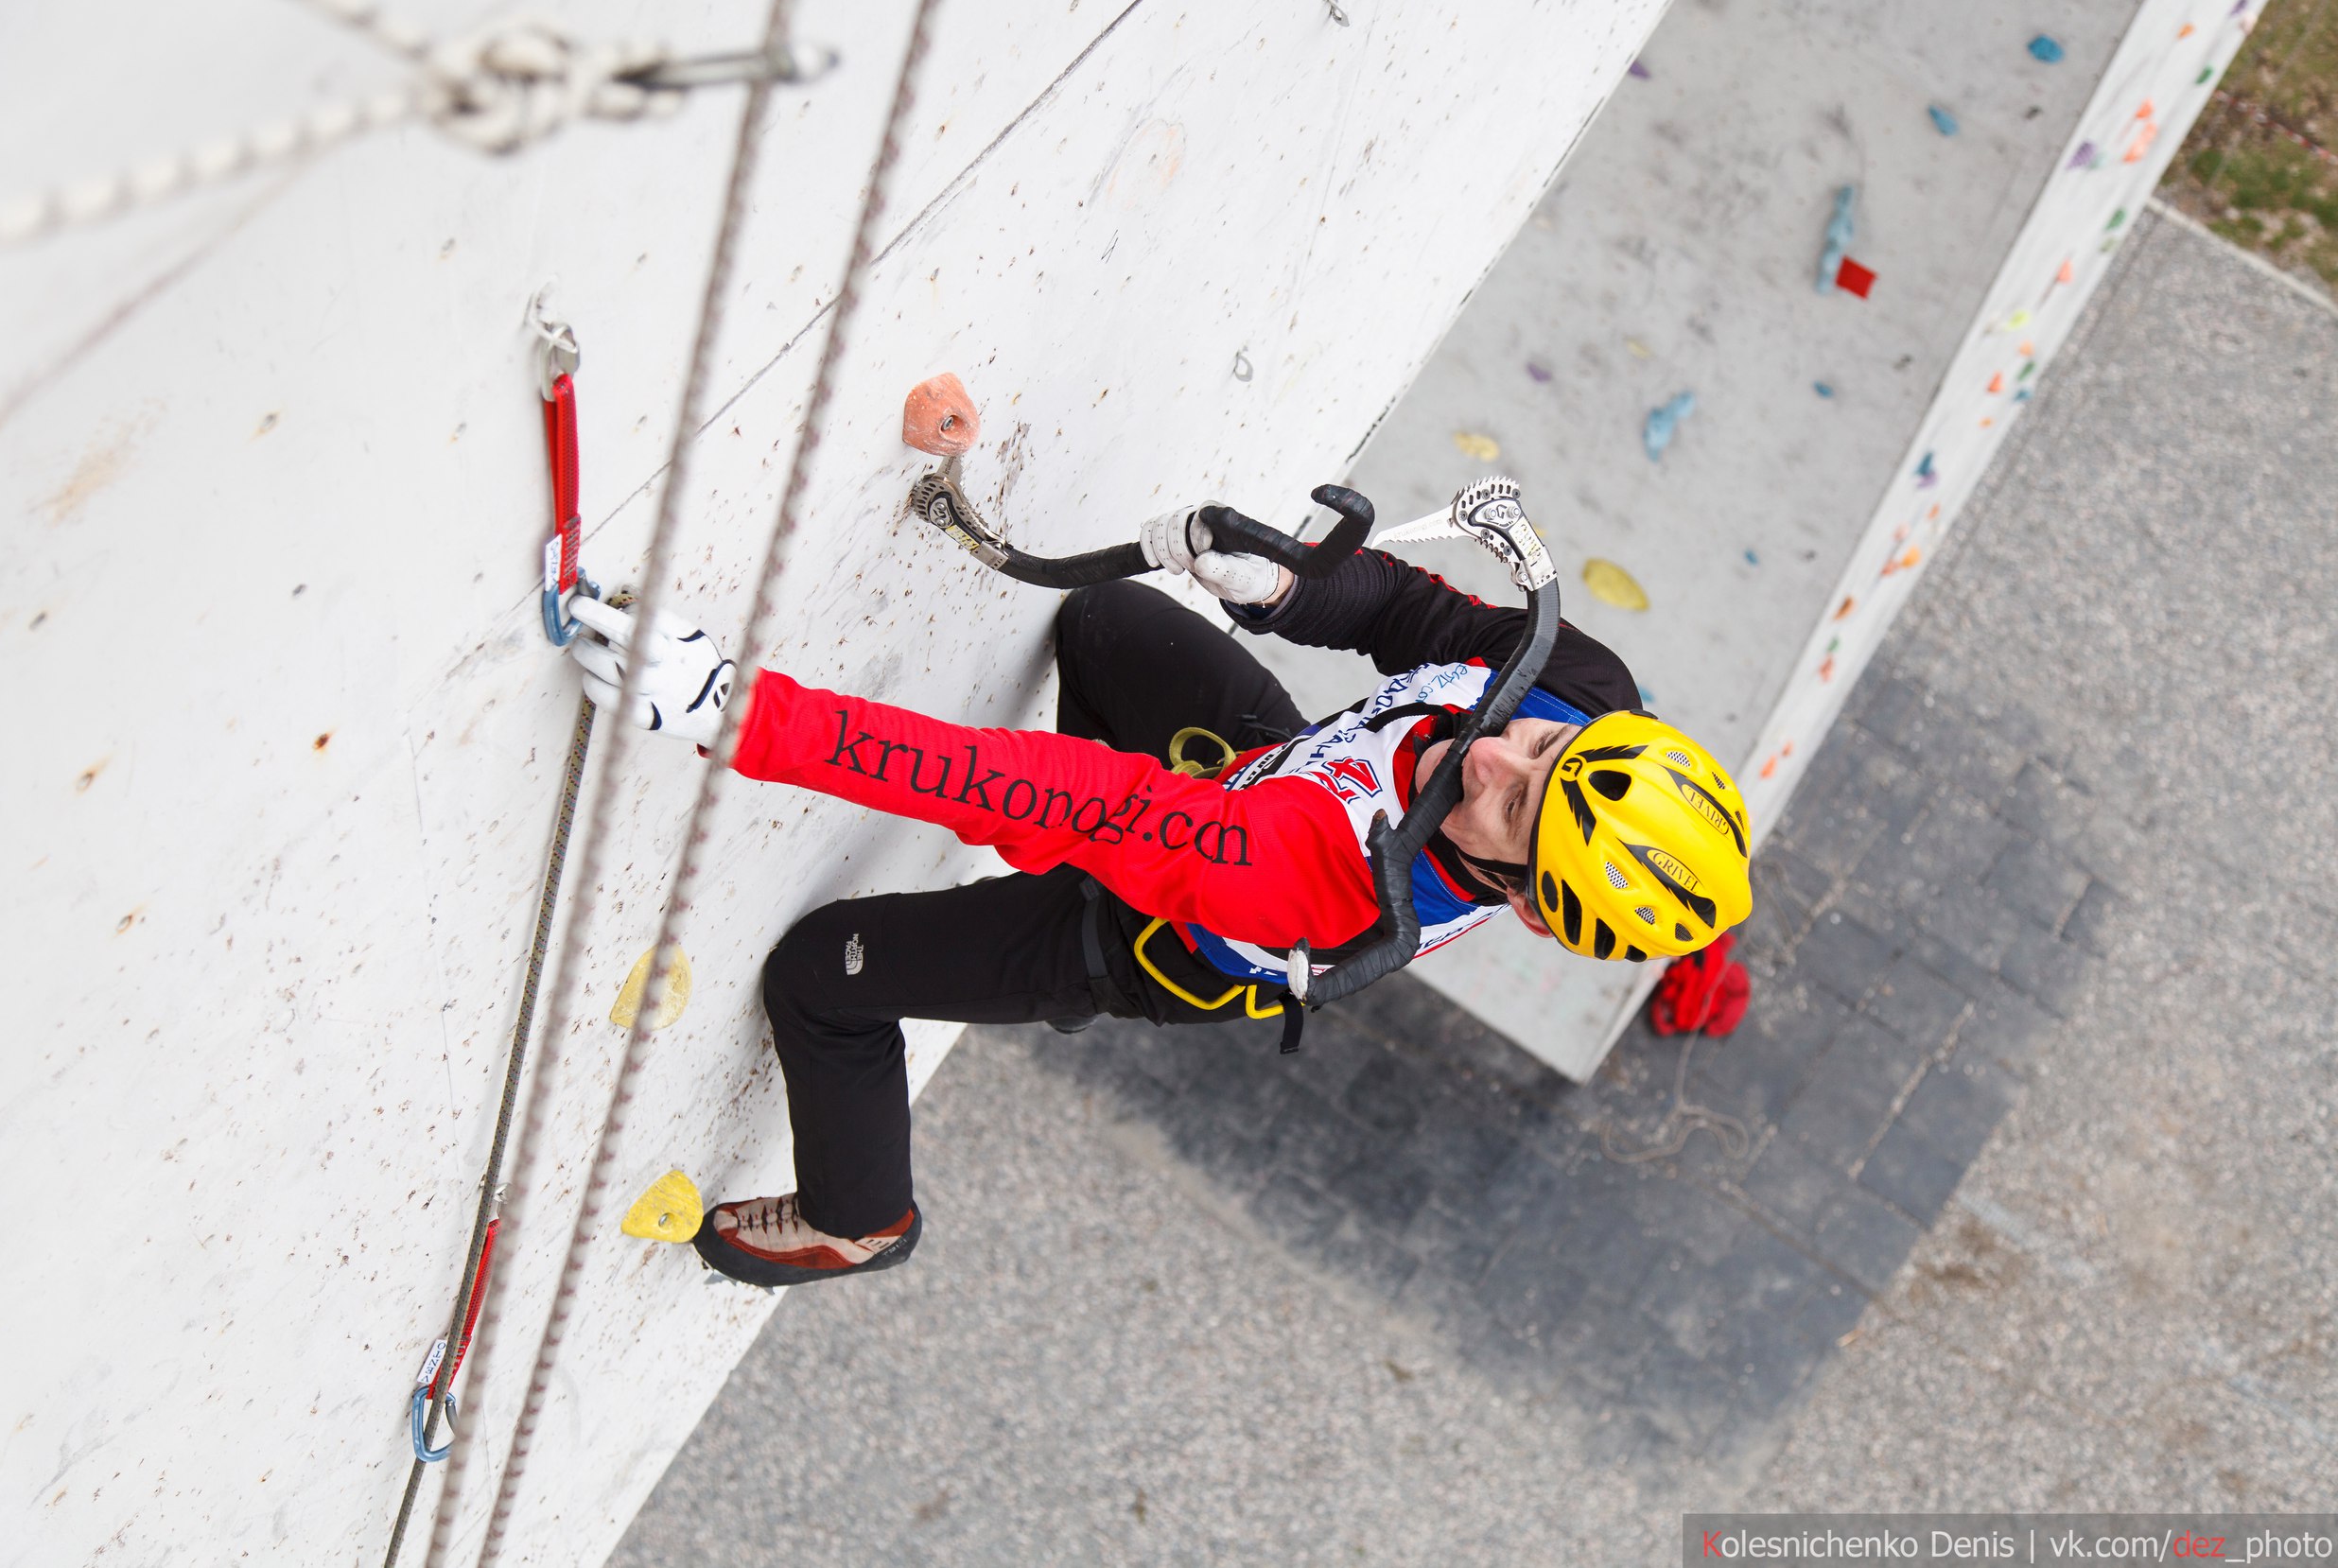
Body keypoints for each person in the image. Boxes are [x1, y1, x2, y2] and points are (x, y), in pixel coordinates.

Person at [568, 502, 1754, 1288]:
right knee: (1107, 622)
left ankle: (859, 1215)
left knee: (823, 974)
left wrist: (736, 710)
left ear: (1530, 907)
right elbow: (1415, 620)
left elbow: (1024, 786)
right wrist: (1287, 589)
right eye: (1544, 758)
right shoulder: (1588, 694)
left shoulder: (1306, 875)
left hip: (1153, 933)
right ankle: (1110, 856)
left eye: (1507, 814)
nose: (1493, 759)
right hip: (1250, 788)